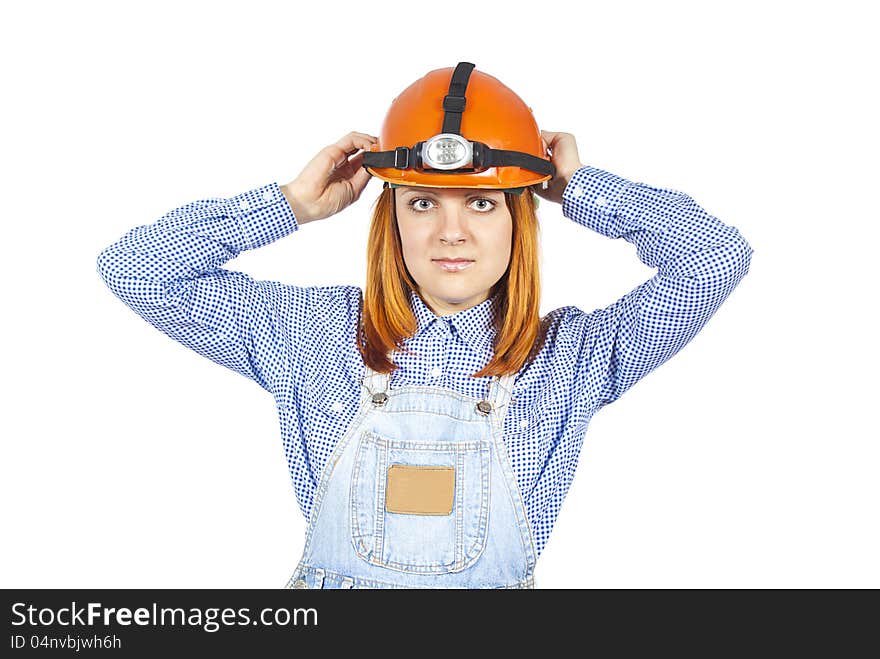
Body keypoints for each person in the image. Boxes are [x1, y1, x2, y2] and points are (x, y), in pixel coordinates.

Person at [96, 62, 753, 589]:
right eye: (421, 202)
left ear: (518, 218)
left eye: (481, 202)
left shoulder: (572, 357)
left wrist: (579, 185)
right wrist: (291, 204)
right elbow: (136, 268)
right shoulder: (307, 331)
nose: (452, 232)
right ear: (393, 218)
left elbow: (714, 257)